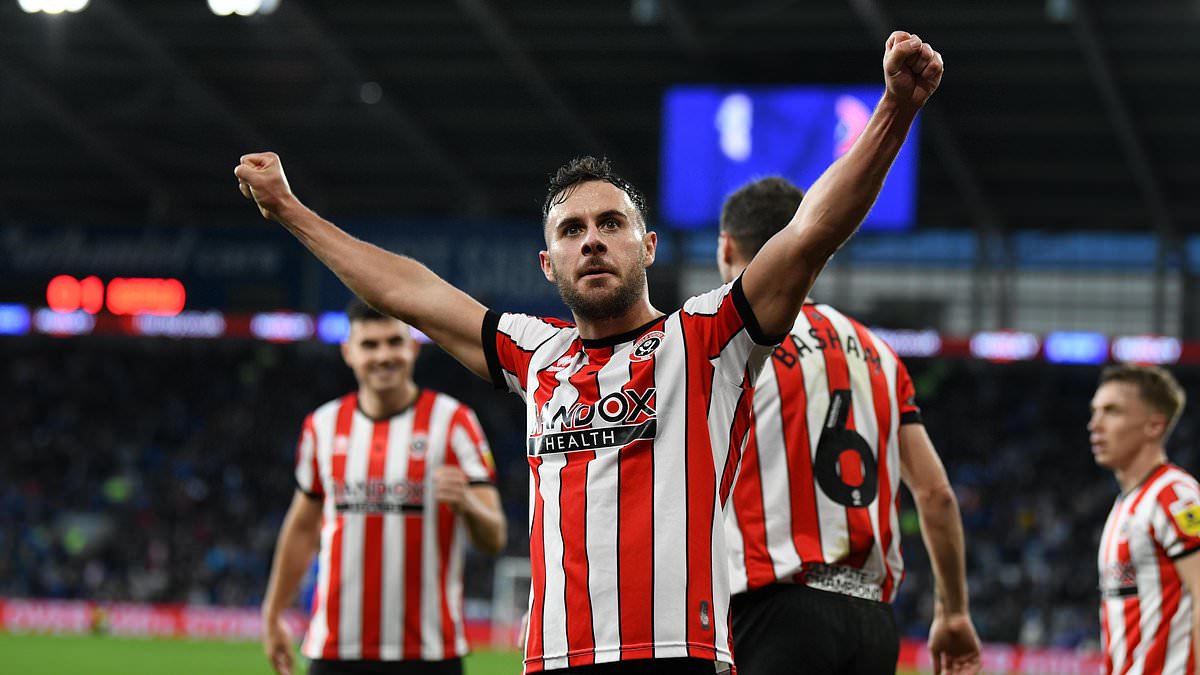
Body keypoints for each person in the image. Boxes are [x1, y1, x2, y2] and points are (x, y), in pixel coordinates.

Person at [236, 30, 943, 675]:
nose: (593, 238)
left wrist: (894, 110)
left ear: (649, 247)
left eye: (612, 222)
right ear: (549, 264)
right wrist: (292, 211)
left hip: (678, 654)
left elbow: (810, 229)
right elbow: (408, 290)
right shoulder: (533, 355)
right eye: (572, 229)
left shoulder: (703, 339)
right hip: (555, 658)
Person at [716, 177, 981, 675]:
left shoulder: (729, 339)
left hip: (773, 606)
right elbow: (936, 494)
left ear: (726, 246)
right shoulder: (881, 355)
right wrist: (954, 610)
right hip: (872, 623)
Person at [260, 300, 507, 675]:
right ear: (349, 352)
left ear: (412, 347)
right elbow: (303, 528)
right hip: (335, 650)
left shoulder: (454, 422)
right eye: (369, 345)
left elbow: (494, 538)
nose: (383, 356)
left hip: (429, 652)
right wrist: (273, 611)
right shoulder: (322, 426)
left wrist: (468, 506)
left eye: (393, 342)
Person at [1091, 364, 1200, 674]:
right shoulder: (1124, 506)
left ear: (1154, 426)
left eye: (1112, 412)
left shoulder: (1175, 496)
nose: (1094, 424)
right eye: (1095, 411)